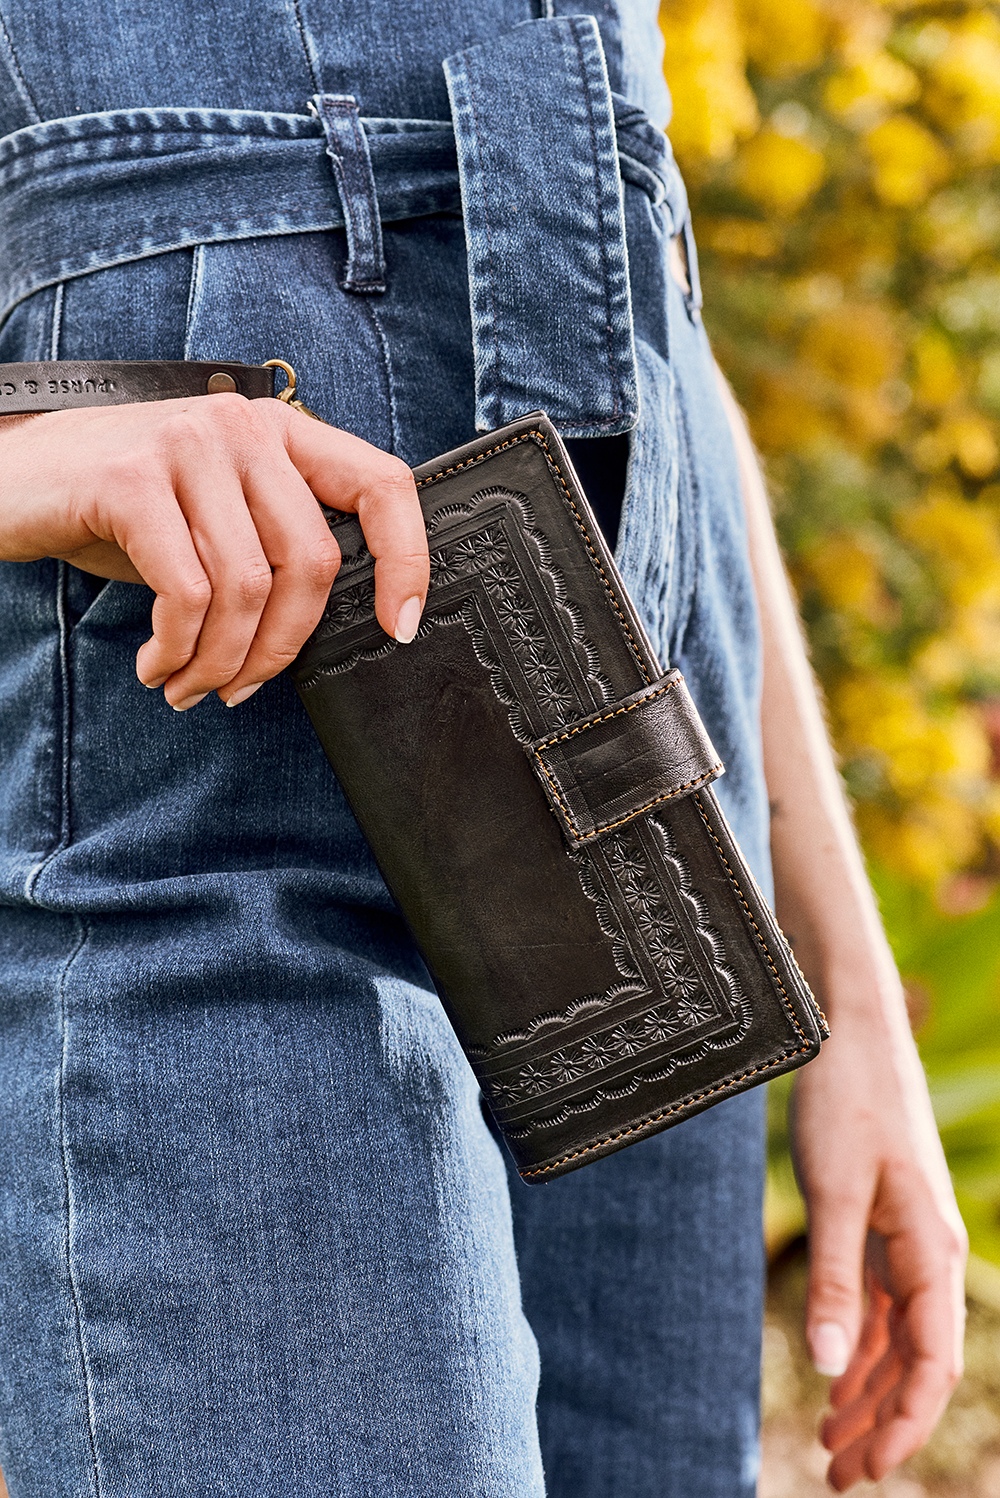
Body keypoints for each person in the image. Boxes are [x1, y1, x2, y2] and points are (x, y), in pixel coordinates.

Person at [0, 1, 966, 1494]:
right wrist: (28, 452)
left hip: (656, 883)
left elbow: (667, 352)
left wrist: (844, 987)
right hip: (224, 770)